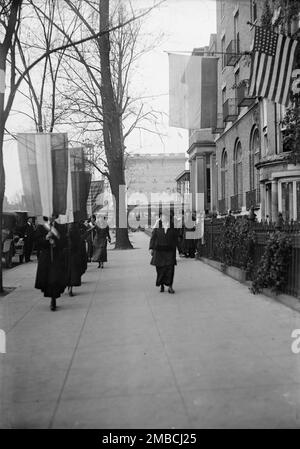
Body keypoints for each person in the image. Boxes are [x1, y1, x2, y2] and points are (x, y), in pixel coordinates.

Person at [34, 215, 67, 311]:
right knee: (48, 279)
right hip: (46, 256)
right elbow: (37, 242)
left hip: (57, 256)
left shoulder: (60, 226)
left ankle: (54, 299)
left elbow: (64, 240)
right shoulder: (42, 226)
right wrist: (46, 238)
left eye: (53, 215)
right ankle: (52, 298)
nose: (51, 217)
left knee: (55, 278)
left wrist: (56, 243)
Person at [149, 212, 179, 294]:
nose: (163, 217)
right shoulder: (157, 225)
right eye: (161, 216)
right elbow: (153, 237)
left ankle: (170, 286)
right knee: (160, 269)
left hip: (170, 250)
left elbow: (176, 237)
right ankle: (161, 284)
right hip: (159, 250)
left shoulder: (173, 226)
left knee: (170, 268)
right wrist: (151, 248)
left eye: (165, 215)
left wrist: (177, 247)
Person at [65, 222, 85, 297]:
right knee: (70, 271)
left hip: (70, 253)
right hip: (70, 253)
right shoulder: (74, 228)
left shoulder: (69, 228)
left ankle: (70, 288)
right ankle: (70, 287)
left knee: (70, 271)